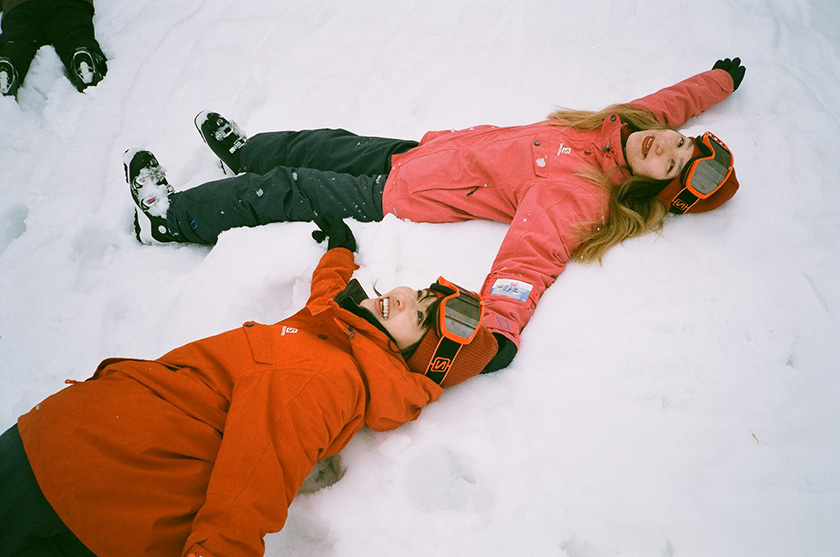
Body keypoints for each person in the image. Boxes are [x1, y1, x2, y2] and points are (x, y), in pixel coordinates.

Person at [124, 57, 746, 373]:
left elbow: (531, 255)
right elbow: (672, 103)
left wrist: (500, 325)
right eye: (675, 140)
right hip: (421, 153)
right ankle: (243, 153)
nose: (664, 144)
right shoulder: (619, 130)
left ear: (650, 190)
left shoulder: (581, 194)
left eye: (668, 163)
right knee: (317, 143)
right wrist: (716, 81)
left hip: (404, 198)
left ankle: (172, 218)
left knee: (290, 188)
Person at [0, 214, 499, 556]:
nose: (408, 299)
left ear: (411, 357)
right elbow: (325, 304)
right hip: (73, 459)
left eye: (421, 317)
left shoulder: (326, 377)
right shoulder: (338, 339)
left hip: (82, 493)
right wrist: (340, 255)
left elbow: (252, 485)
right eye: (425, 294)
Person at [0, 0, 107, 96]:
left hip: (20, 6)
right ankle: (82, 56)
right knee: (73, 33)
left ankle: (8, 65)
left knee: (17, 41)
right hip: (68, 4)